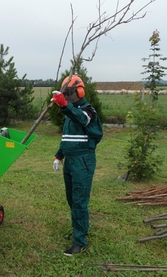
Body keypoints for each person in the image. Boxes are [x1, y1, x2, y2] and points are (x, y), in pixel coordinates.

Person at [51, 75, 103, 256]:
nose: (68, 96)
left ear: (79, 91)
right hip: (70, 161)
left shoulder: (88, 111)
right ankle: (80, 229)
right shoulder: (70, 113)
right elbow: (67, 139)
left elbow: (81, 119)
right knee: (72, 199)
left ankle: (80, 242)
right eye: (66, 94)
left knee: (80, 202)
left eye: (69, 93)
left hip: (83, 161)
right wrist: (59, 155)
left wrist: (65, 105)